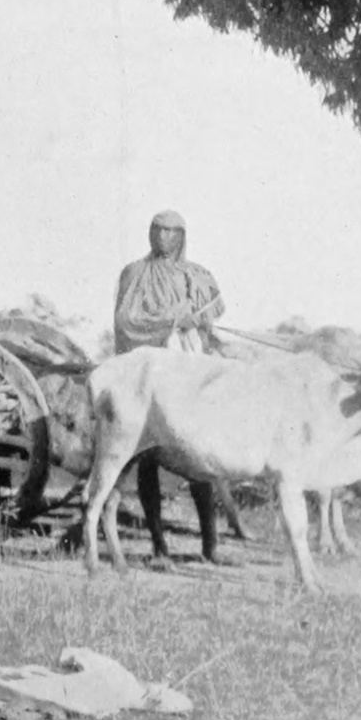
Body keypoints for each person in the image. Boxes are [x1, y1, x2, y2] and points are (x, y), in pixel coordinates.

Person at [113, 209, 232, 564]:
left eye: (170, 231)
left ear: (181, 236)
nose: (163, 237)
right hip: (151, 370)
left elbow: (213, 311)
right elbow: (126, 320)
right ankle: (158, 546)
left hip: (189, 366)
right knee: (147, 457)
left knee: (202, 457)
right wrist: (171, 319)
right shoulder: (135, 272)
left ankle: (210, 546)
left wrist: (196, 319)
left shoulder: (196, 274)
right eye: (157, 230)